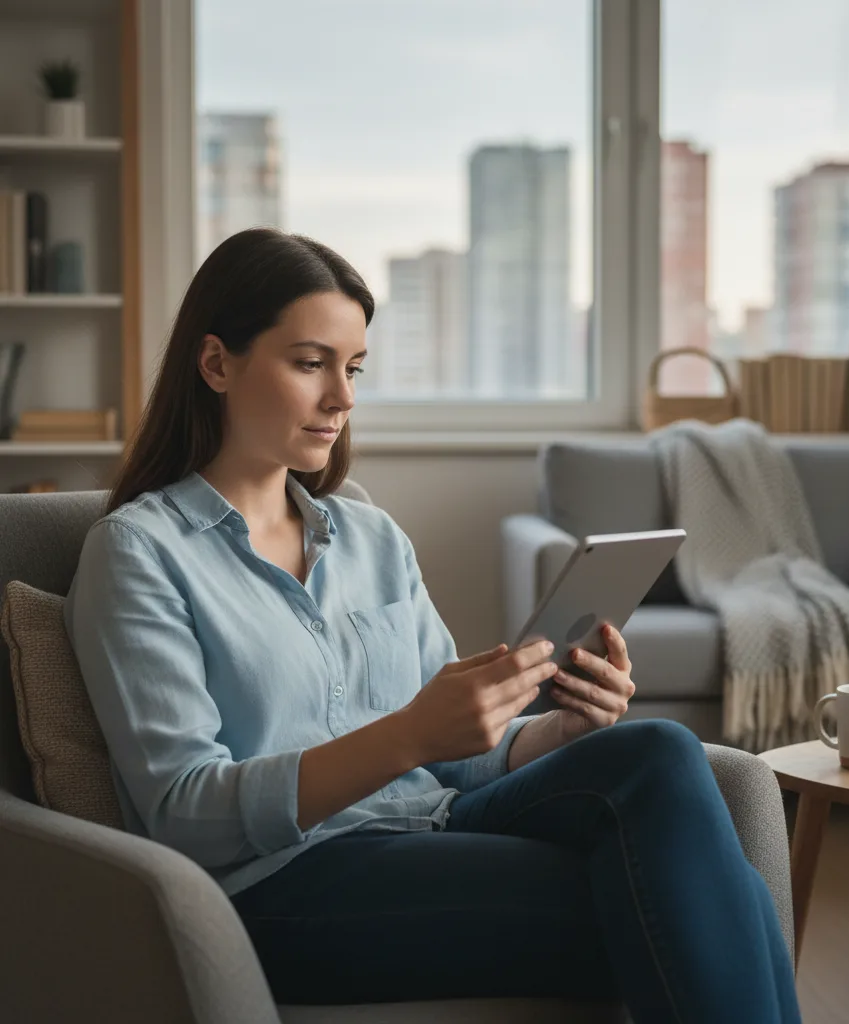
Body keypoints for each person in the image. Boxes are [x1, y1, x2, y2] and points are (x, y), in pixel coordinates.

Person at [63, 228, 800, 1023]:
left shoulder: (371, 537)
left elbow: (456, 759)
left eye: (352, 369)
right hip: (282, 882)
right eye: (310, 364)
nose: (342, 399)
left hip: (434, 824)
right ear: (215, 364)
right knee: (706, 894)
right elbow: (183, 811)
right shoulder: (139, 552)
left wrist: (559, 728)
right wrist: (409, 735)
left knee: (657, 751)